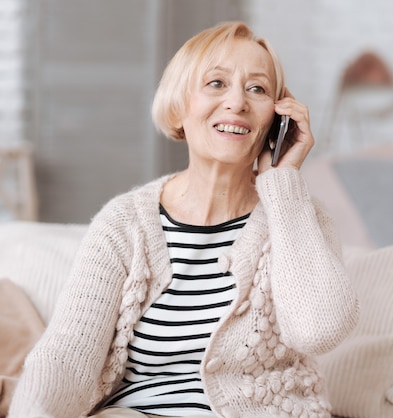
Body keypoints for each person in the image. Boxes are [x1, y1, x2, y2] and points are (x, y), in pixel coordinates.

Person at [9, 21, 359, 418]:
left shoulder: (299, 215)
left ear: (277, 120)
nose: (237, 102)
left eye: (258, 89)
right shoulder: (125, 224)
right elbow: (66, 358)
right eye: (216, 83)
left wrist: (283, 183)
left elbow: (319, 330)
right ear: (179, 105)